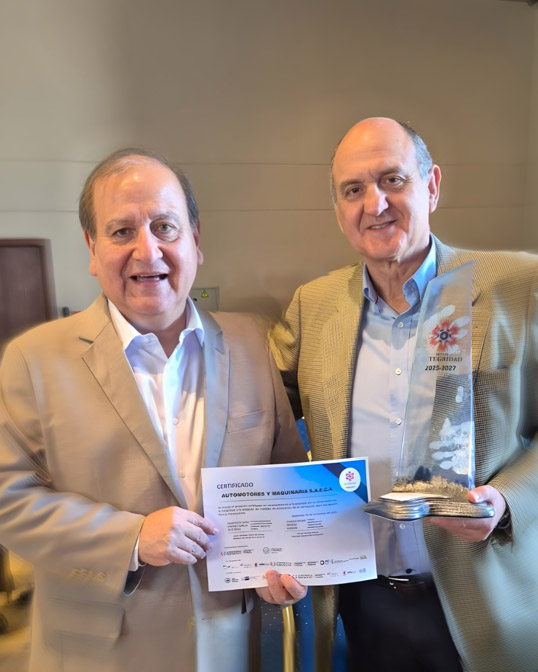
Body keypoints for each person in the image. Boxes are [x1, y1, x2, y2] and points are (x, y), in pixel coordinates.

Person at [0, 148, 306, 672]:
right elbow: (9, 501)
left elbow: (286, 476)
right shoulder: (33, 359)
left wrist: (285, 561)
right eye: (122, 231)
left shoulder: (251, 341)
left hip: (231, 641)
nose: (148, 251)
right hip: (100, 649)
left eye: (165, 227)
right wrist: (132, 538)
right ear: (92, 248)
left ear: (195, 240)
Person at [270, 117, 538, 672]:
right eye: (353, 190)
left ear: (432, 185)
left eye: (393, 179)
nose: (375, 204)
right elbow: (255, 416)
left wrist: (508, 498)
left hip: (489, 599)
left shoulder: (519, 286)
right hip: (364, 605)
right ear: (338, 208)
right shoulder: (313, 306)